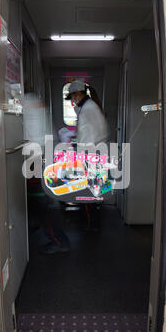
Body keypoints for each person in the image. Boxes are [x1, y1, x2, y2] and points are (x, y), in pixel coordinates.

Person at [66, 81, 109, 231]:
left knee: (87, 193)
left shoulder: (88, 109)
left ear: (78, 94)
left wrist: (76, 149)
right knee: (92, 191)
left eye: (72, 97)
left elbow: (87, 136)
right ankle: (91, 223)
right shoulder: (88, 107)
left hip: (90, 156)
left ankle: (91, 226)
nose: (72, 100)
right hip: (94, 154)